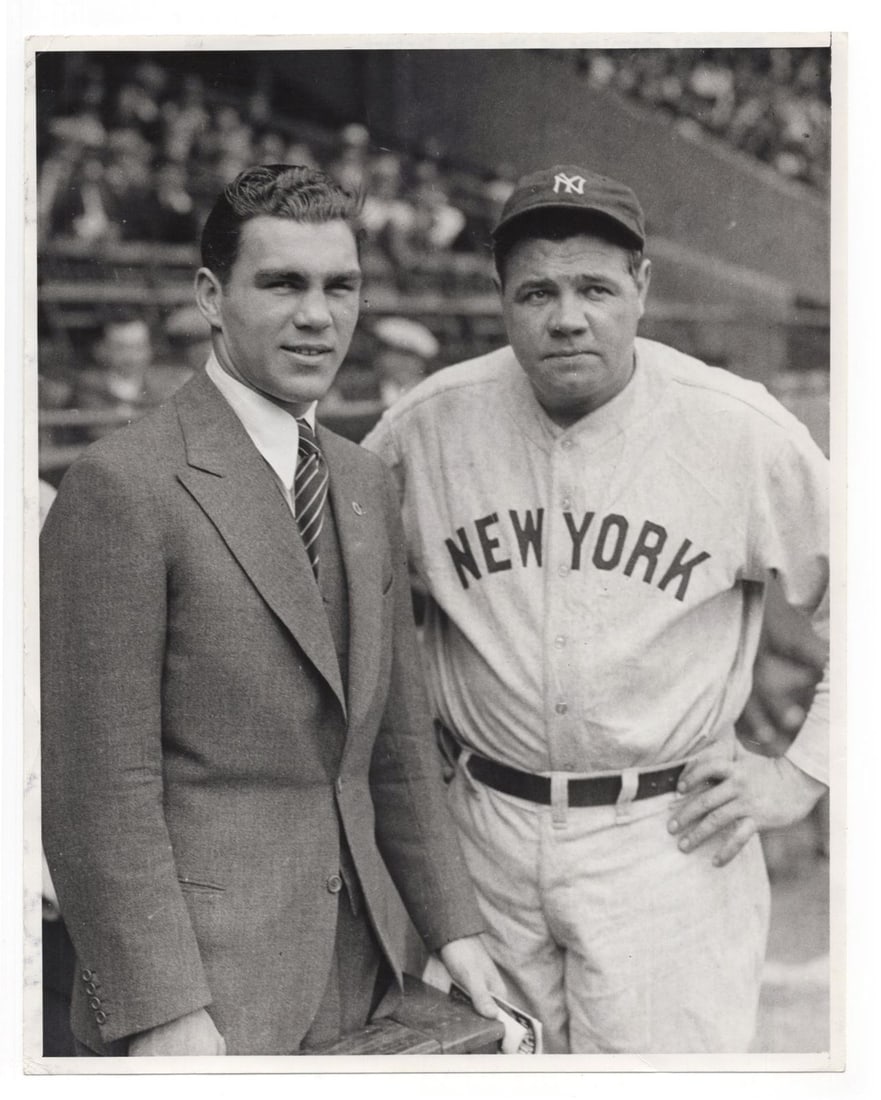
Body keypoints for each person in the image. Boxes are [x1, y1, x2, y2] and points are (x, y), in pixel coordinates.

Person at [362, 163, 829, 1054]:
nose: (566, 316)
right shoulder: (426, 425)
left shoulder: (738, 426)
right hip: (481, 836)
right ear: (499, 295)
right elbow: (340, 596)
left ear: (641, 288)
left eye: (593, 288)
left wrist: (802, 776)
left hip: (668, 839)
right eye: (536, 290)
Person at [41, 164, 502, 1058]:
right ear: (212, 296)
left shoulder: (364, 480)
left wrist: (455, 928)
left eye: (341, 286)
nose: (317, 315)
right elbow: (97, 789)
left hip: (367, 964)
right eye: (282, 283)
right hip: (208, 991)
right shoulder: (122, 484)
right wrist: (160, 1008)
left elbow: (399, 748)